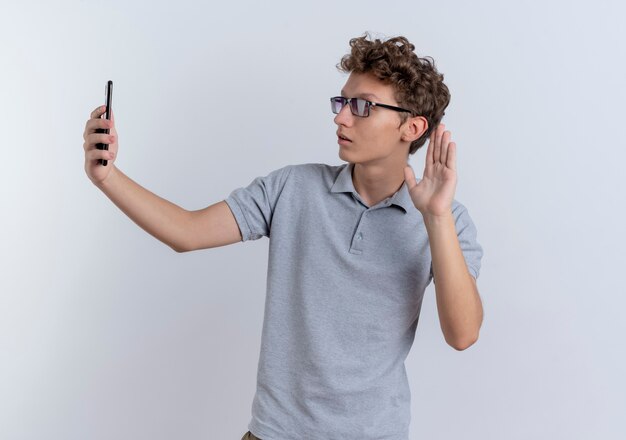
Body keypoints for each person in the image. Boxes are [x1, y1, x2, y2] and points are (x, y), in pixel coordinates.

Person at [83, 33, 484, 440]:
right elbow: (187, 232)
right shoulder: (293, 188)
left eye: (362, 106)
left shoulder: (449, 222)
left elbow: (463, 334)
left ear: (411, 127)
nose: (341, 117)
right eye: (342, 102)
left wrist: (435, 218)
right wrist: (107, 177)